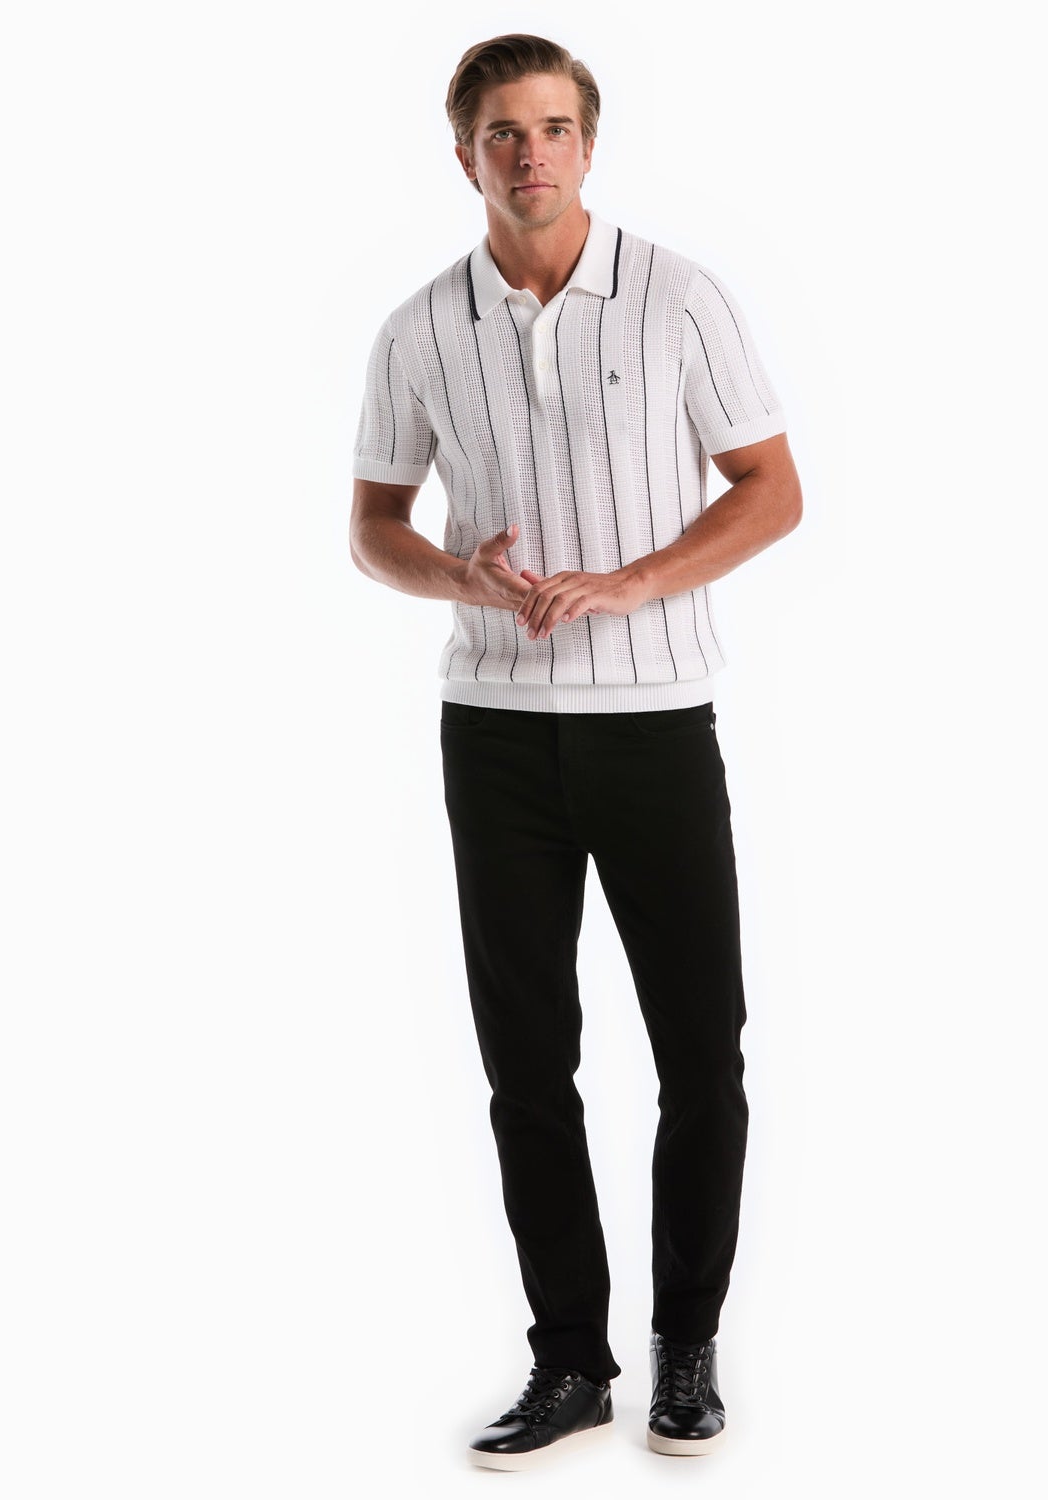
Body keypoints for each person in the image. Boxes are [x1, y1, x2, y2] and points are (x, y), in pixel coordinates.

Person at [349, 33, 802, 1470]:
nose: (529, 152)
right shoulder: (421, 329)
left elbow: (772, 490)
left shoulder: (679, 298)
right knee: (526, 1065)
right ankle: (570, 1363)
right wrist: (460, 579)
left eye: (553, 127)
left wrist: (633, 583)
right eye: (503, 131)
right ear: (465, 154)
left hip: (656, 724)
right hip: (493, 737)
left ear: (589, 145)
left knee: (701, 1056)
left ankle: (688, 1353)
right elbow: (373, 528)